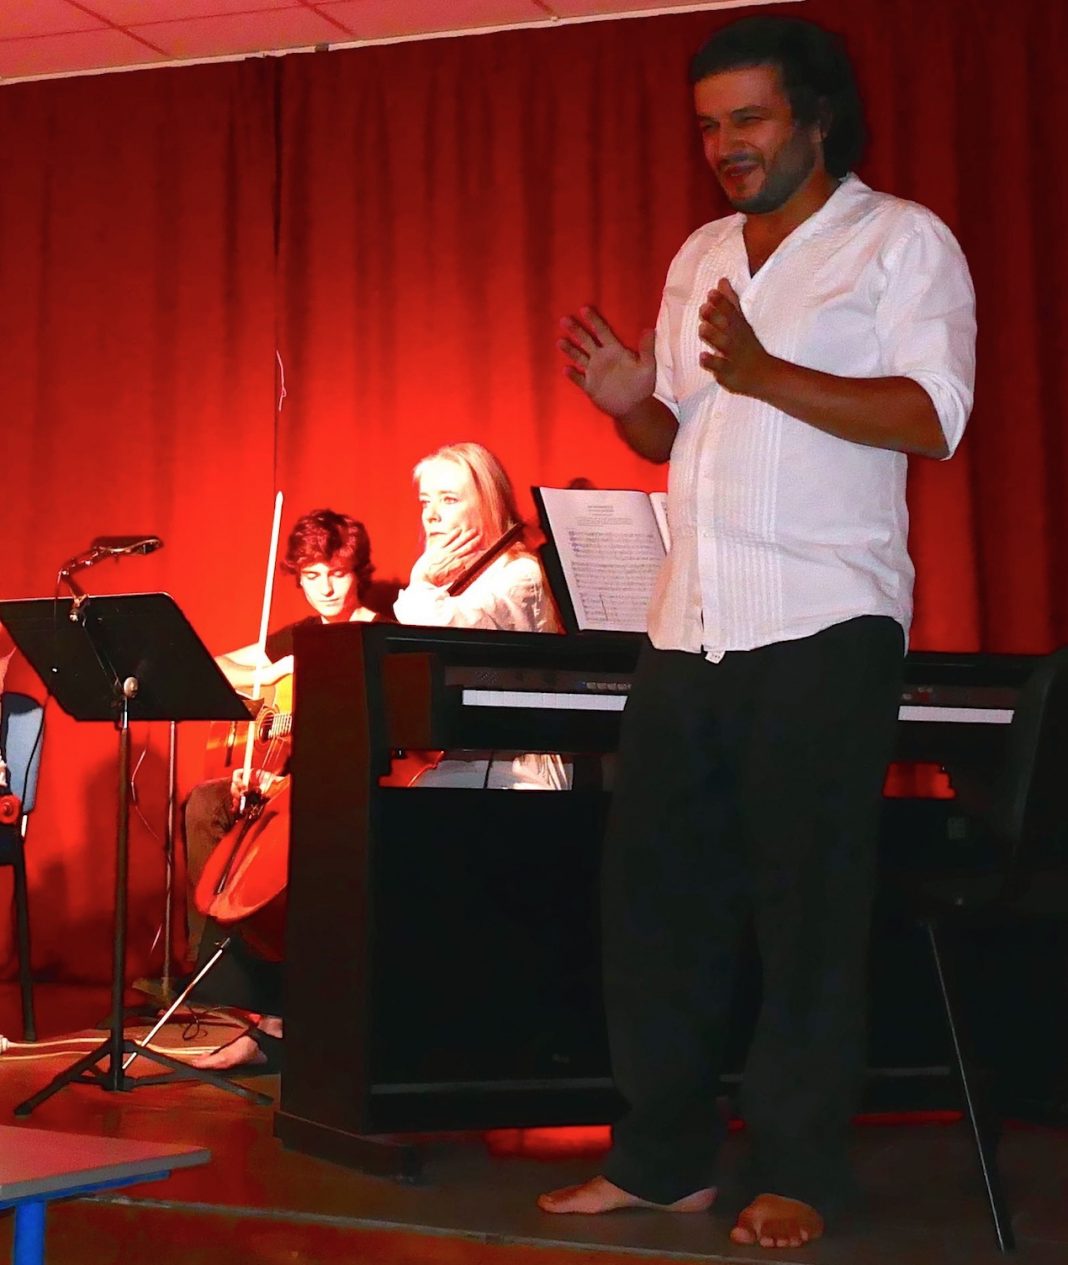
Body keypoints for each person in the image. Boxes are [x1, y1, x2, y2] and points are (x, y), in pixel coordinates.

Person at [537, 15, 975, 1250]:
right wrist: (632, 405)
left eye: (750, 118)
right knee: (657, 907)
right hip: (691, 626)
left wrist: (769, 371)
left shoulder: (902, 242)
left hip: (824, 621)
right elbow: (682, 435)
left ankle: (799, 1168)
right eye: (709, 126)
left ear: (817, 116)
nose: (726, 145)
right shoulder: (700, 254)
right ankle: (663, 1158)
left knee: (807, 914)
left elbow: (933, 417)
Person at [185, 507, 378, 1072]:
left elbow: (362, 735)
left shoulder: (374, 633)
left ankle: (278, 1014)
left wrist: (290, 779)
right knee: (205, 804)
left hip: (337, 788)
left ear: (357, 573)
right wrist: (267, 676)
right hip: (280, 786)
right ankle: (240, 981)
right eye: (312, 577)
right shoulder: (297, 637)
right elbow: (212, 667)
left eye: (336, 574)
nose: (325, 589)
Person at [393, 441, 569, 790]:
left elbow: (449, 633)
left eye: (449, 499)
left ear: (488, 504)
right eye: (426, 501)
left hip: (515, 771)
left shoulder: (519, 575)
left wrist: (420, 582)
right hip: (468, 761)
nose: (431, 515)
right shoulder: (453, 583)